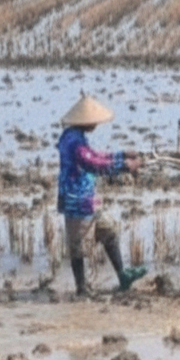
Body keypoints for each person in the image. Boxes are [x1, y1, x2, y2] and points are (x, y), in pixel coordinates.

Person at [57, 95, 147, 296]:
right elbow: (93, 164)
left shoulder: (78, 138)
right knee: (78, 247)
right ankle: (81, 289)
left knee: (110, 231)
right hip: (76, 201)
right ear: (85, 121)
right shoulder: (73, 142)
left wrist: (122, 155)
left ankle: (123, 275)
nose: (96, 124)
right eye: (94, 120)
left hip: (89, 200)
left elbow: (96, 156)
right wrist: (124, 166)